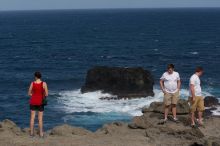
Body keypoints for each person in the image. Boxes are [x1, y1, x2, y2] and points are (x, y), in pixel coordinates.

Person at [28, 72, 48, 137]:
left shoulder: (32, 83)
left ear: (35, 77)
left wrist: (33, 95)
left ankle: (31, 134)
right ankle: (41, 134)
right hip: (40, 102)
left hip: (33, 101)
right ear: (40, 77)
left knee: (32, 118)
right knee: (40, 119)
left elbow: (29, 93)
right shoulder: (44, 83)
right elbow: (47, 94)